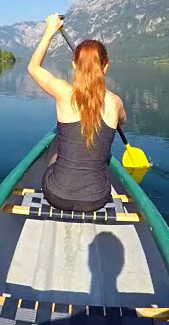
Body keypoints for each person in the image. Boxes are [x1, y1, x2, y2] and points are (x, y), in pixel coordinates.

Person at [27, 13, 127, 213]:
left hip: (56, 195)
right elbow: (122, 122)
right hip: (97, 199)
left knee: (57, 139)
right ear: (105, 67)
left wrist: (50, 31)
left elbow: (33, 67)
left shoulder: (64, 93)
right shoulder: (115, 102)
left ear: (74, 65)